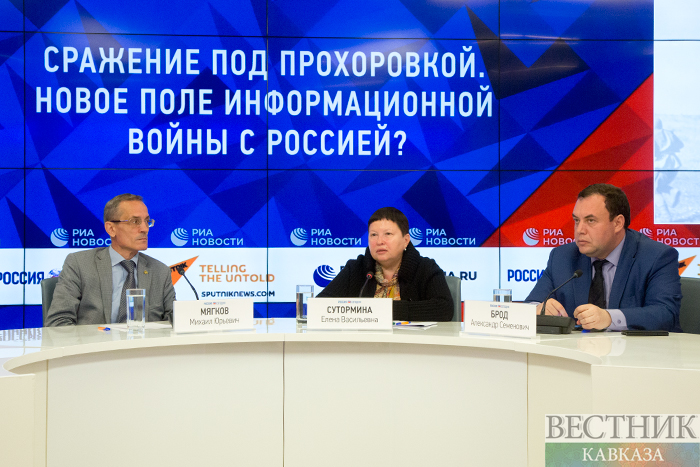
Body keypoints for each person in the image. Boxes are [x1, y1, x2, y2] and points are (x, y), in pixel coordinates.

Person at [526, 184, 681, 331]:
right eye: (577, 220)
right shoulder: (562, 257)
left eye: (590, 221)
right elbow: (529, 305)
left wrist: (609, 318)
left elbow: (665, 313)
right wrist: (538, 309)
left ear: (618, 223)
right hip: (576, 347)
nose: (580, 230)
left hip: (638, 349)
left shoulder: (656, 257)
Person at [46, 194, 175, 326]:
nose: (145, 229)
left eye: (147, 221)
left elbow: (175, 322)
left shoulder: (160, 271)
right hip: (94, 340)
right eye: (135, 221)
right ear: (111, 229)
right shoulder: (79, 264)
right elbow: (58, 322)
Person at [317, 207, 453, 321]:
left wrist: (382, 310)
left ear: (406, 240)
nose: (379, 241)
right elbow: (319, 305)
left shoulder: (425, 268)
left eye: (388, 234)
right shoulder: (355, 268)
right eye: (373, 235)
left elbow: (444, 308)